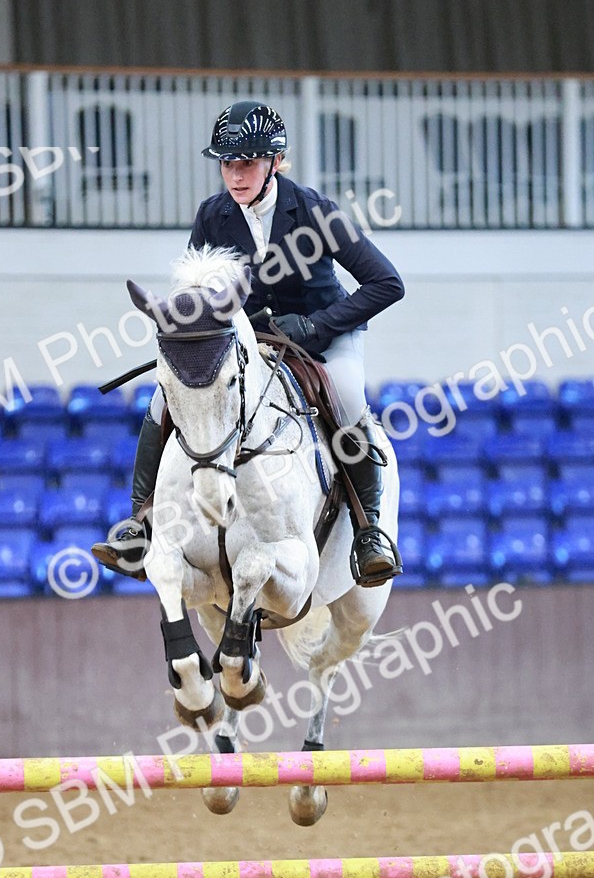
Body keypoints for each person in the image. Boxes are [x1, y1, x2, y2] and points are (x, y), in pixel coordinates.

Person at [92, 100, 405, 586]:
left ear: (275, 162)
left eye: (248, 163)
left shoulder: (316, 211)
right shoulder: (212, 216)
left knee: (347, 399)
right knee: (162, 401)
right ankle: (141, 521)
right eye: (227, 164)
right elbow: (196, 291)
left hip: (322, 338)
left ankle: (368, 533)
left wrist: (316, 326)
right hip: (248, 342)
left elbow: (387, 283)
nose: (235, 176)